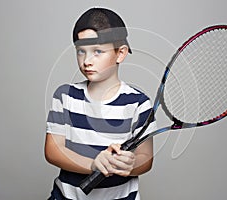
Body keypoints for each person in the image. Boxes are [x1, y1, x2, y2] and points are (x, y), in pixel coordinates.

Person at [45, 7, 157, 200]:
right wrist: (93, 164)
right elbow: (53, 151)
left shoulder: (139, 104)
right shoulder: (65, 96)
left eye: (97, 51)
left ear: (120, 54)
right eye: (81, 51)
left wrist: (129, 164)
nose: (87, 61)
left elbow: (145, 159)